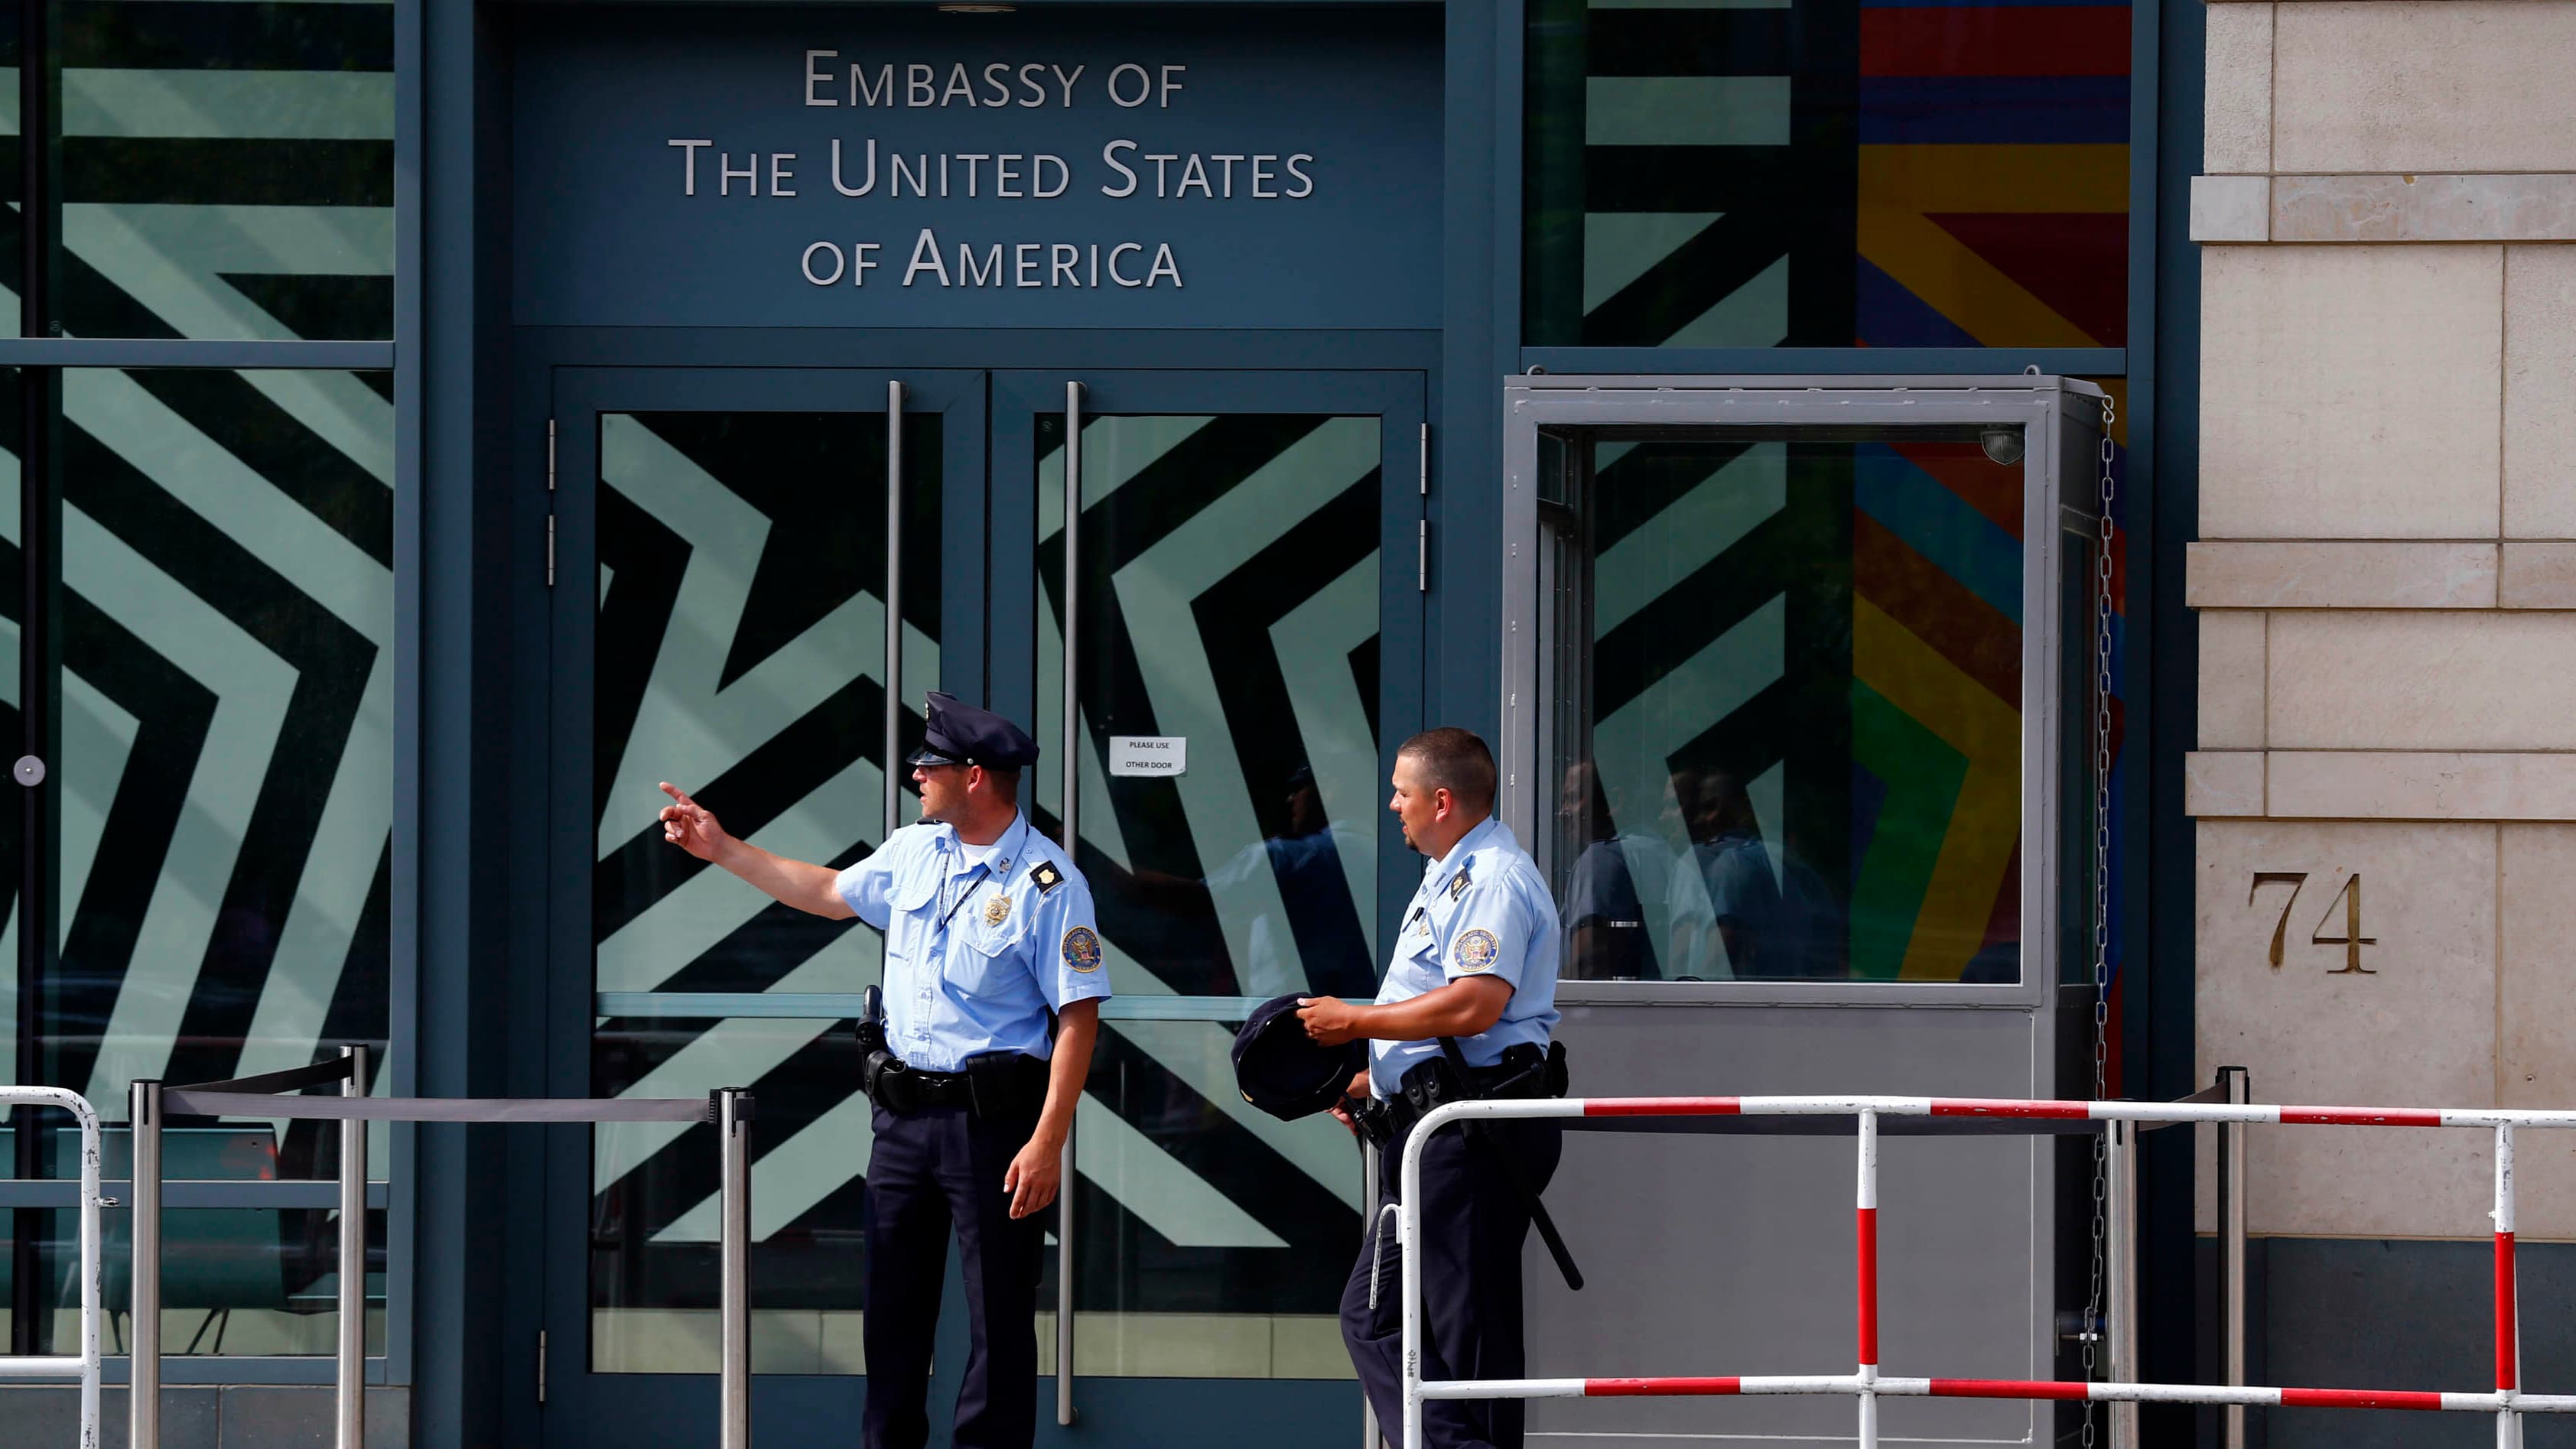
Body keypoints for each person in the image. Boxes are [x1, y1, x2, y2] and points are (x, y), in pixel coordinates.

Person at [654, 690, 1108, 1449]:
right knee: (891, 1315)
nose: (914, 776)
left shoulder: (1047, 884)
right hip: (901, 1122)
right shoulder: (912, 850)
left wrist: (1047, 1139)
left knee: (998, 1317)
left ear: (973, 776)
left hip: (993, 1127)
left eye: (927, 765)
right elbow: (828, 893)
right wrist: (723, 848)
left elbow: (1077, 1017)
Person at [1295, 726, 1565, 1449]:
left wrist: (1357, 1018)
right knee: (1398, 1320)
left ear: (1441, 800)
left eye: (1402, 792)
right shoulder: (1452, 872)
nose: (1392, 805)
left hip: (1471, 1131)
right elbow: (1442, 1012)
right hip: (1431, 1123)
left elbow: (1476, 1002)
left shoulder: (1493, 879)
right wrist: (1374, 1075)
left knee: (1456, 1324)